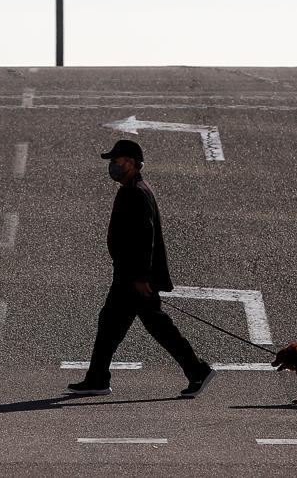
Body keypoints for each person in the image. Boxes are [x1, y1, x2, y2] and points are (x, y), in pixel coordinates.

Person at [66, 139, 216, 398]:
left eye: (117, 161)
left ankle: (197, 370)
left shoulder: (135, 192)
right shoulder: (131, 188)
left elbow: (145, 238)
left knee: (152, 326)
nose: (112, 165)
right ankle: (97, 378)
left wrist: (140, 277)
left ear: (133, 163)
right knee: (114, 325)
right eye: (112, 161)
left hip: (133, 277)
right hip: (128, 274)